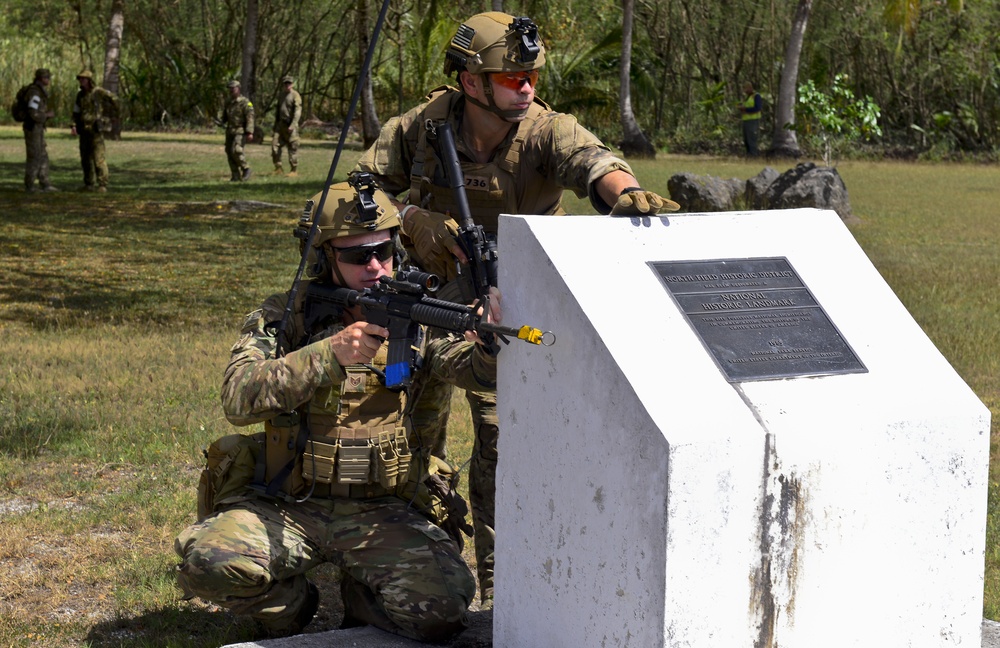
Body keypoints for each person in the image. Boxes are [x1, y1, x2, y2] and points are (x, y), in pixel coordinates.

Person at [354, 11, 678, 607]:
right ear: (471, 82)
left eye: (531, 74)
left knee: (504, 439)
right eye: (512, 76)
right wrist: (414, 220)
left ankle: (508, 591)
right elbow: (359, 185)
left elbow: (596, 164)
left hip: (514, 298)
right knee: (406, 423)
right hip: (427, 293)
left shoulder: (547, 130)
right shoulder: (422, 127)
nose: (526, 85)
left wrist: (626, 195)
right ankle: (405, 555)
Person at [174, 176, 500, 642]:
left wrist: (487, 346)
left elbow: (468, 370)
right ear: (324, 259)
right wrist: (329, 355)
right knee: (208, 562)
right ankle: (292, 608)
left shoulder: (418, 316)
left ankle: (362, 597)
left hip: (383, 507)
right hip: (288, 502)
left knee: (442, 609)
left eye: (384, 251)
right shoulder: (287, 316)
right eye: (355, 255)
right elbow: (238, 397)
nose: (374, 266)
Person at [71, 70, 120, 192]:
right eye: (80, 79)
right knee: (85, 158)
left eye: (83, 79)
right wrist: (73, 125)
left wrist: (113, 115)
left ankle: (102, 184)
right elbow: (76, 111)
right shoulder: (80, 95)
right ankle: (89, 184)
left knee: (99, 158)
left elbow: (114, 99)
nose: (81, 81)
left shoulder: (98, 92)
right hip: (84, 130)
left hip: (96, 130)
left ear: (89, 80)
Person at [21, 68, 57, 192]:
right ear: (42, 78)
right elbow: (33, 113)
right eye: (47, 77)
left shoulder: (39, 92)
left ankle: (44, 182)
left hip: (38, 128)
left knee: (42, 154)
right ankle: (30, 185)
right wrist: (47, 115)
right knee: (34, 156)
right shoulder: (35, 93)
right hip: (33, 128)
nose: (48, 80)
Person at [221, 79, 254, 181]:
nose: (231, 90)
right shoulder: (228, 101)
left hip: (240, 130)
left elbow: (250, 117)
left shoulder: (245, 102)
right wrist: (222, 121)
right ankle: (235, 175)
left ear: (238, 89)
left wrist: (249, 132)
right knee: (229, 152)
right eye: (230, 88)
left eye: (233, 88)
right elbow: (225, 115)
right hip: (230, 130)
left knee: (236, 150)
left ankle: (246, 168)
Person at [271, 75, 302, 176]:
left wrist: (293, 125)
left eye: (289, 83)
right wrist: (275, 125)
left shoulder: (295, 95)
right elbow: (278, 111)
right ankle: (278, 167)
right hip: (281, 125)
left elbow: (298, 112)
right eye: (285, 83)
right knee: (275, 146)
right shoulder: (281, 95)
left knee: (292, 147)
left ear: (292, 84)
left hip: (290, 126)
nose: (287, 85)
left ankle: (293, 170)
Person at [739, 82, 763, 157]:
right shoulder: (748, 97)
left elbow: (758, 108)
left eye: (746, 88)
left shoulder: (756, 96)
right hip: (746, 120)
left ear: (750, 88)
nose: (745, 91)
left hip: (753, 121)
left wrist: (746, 109)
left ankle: (753, 155)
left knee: (752, 139)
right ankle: (749, 154)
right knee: (746, 139)